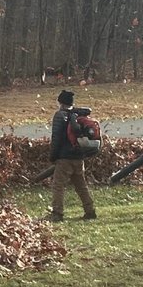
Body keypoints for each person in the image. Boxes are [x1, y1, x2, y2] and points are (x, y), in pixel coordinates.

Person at [47, 89, 96, 222]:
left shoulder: (60, 115)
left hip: (64, 158)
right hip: (79, 156)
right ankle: (90, 211)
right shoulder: (78, 115)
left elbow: (56, 138)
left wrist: (53, 156)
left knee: (58, 186)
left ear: (61, 102)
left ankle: (57, 213)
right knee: (81, 186)